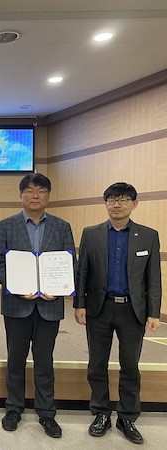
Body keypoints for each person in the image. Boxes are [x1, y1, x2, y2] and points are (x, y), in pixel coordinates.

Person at [75, 182, 161, 445]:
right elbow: (82, 271)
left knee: (130, 366)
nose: (117, 204)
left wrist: (154, 312)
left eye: (123, 199)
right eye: (111, 199)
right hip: (99, 308)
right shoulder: (91, 234)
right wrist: (79, 304)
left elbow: (153, 277)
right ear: (105, 203)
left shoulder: (148, 236)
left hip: (132, 310)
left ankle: (127, 417)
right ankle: (101, 413)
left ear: (134, 204)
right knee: (96, 364)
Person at [0, 173, 75, 439]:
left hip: (49, 306)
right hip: (17, 304)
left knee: (44, 361)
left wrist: (58, 290)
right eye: (29, 190)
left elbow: (69, 262)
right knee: (15, 359)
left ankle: (46, 413)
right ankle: (13, 408)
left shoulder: (62, 227)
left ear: (48, 196)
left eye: (40, 190)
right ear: (21, 196)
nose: (35, 195)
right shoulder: (6, 225)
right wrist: (15, 285)